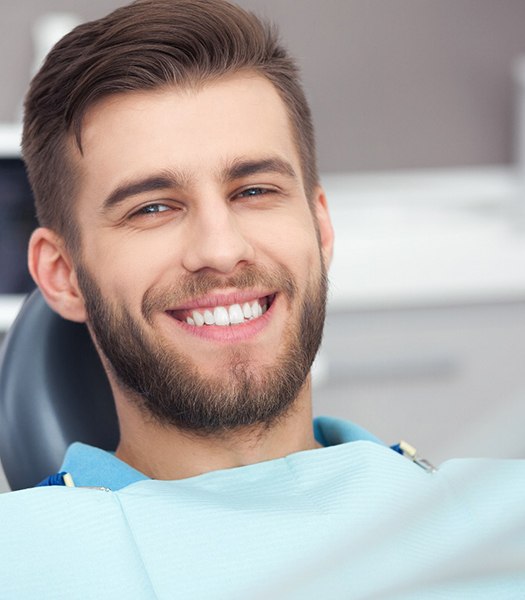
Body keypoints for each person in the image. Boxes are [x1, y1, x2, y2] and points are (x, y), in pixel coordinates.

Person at [1, 1, 524, 598]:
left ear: (320, 227)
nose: (221, 251)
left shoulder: (502, 518)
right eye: (152, 207)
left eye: (254, 190)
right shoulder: (20, 559)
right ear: (62, 274)